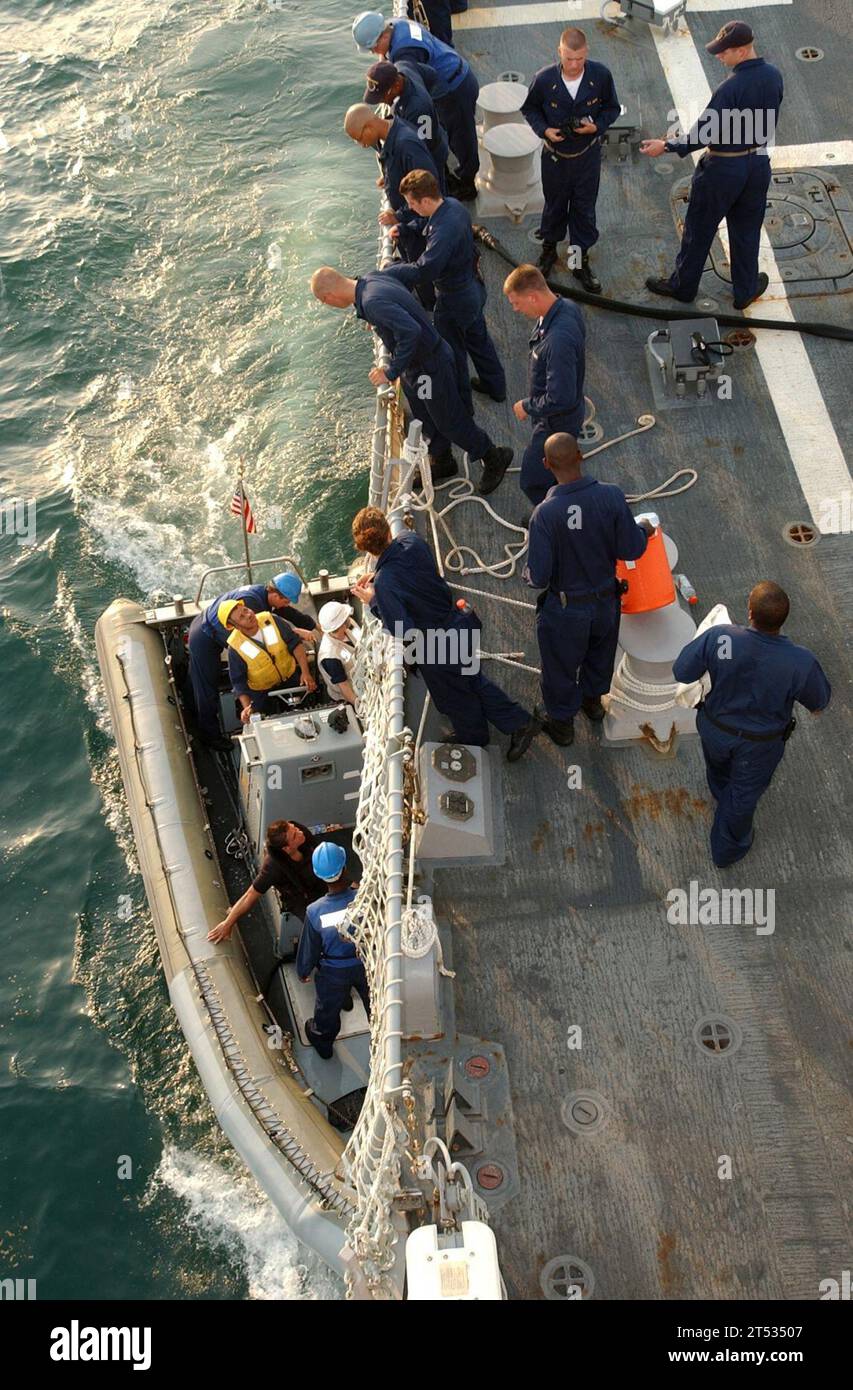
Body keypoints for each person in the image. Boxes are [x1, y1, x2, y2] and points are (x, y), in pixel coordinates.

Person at [350, 506, 541, 759]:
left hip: (436, 647)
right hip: (458, 623)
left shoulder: (385, 583)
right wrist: (379, 578)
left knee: (455, 698)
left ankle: (474, 738)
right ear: (387, 528)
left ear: (366, 549)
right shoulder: (412, 541)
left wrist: (374, 601)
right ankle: (519, 723)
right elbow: (411, 571)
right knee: (472, 679)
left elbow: (402, 629)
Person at [310, 266, 513, 494]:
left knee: (449, 419)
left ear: (329, 297)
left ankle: (493, 455)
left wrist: (390, 372)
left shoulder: (372, 303)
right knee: (425, 414)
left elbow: (411, 332)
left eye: (325, 302)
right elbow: (407, 276)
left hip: (428, 368)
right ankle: (443, 459)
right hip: (416, 369)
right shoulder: (371, 280)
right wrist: (384, 320)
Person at [672, 582, 830, 868]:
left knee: (718, 770)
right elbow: (818, 704)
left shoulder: (721, 637)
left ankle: (722, 797)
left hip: (714, 729)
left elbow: (682, 671)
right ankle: (726, 851)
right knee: (743, 796)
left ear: (750, 611)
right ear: (783, 618)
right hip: (759, 746)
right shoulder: (800, 661)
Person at [640, 21, 783, 310]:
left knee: (699, 228)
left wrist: (666, 145)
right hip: (757, 165)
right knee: (746, 231)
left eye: (724, 52)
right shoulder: (774, 76)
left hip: (723, 169)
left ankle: (683, 286)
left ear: (741, 51)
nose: (719, 56)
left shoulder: (729, 88)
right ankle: (744, 291)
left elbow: (703, 134)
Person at [524, 433, 654, 747]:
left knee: (560, 666)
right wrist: (643, 529)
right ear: (580, 456)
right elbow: (632, 548)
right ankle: (593, 703)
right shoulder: (611, 496)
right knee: (600, 654)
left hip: (567, 611)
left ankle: (563, 725)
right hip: (606, 602)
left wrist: (527, 571)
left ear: (545, 465)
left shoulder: (544, 515)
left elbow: (538, 577)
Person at [383, 168, 506, 414]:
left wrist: (389, 274)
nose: (411, 208)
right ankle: (496, 386)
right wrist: (406, 228)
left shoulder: (444, 231)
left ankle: (463, 406)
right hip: (473, 287)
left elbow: (425, 270)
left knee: (454, 354)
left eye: (411, 203)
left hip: (455, 299)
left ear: (425, 200)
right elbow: (428, 222)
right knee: (479, 339)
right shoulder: (452, 206)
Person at [521, 27, 620, 289]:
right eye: (568, 59)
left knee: (584, 210)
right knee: (554, 206)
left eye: (579, 59)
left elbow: (612, 108)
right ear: (559, 53)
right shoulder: (543, 80)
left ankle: (578, 260)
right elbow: (529, 108)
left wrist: (596, 126)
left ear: (586, 53)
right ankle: (549, 250)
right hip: (555, 159)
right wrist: (544, 130)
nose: (574, 65)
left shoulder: (600, 76)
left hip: (586, 159)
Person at [352, 11, 480, 198]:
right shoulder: (397, 24)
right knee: (452, 131)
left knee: (461, 137)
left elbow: (417, 85)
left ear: (383, 36)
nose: (373, 52)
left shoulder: (405, 55)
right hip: (452, 75)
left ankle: (467, 183)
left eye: (373, 47)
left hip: (455, 89)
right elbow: (427, 74)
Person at [188, 573, 317, 748]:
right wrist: (298, 632)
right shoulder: (250, 609)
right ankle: (210, 736)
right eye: (286, 601)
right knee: (206, 687)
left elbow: (284, 616)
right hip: (204, 636)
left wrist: (314, 626)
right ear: (275, 595)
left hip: (218, 625)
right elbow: (262, 633)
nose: (287, 605)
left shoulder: (264, 597)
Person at [503, 264, 586, 508]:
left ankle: (552, 517)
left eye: (517, 303)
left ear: (533, 297)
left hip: (555, 422)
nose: (515, 309)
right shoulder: (568, 307)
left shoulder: (557, 341)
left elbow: (561, 397)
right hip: (559, 416)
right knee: (554, 474)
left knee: (531, 480)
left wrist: (527, 406)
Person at [297, 842, 371, 1060]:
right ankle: (382, 1038)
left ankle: (322, 1040)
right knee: (376, 1005)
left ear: (319, 876)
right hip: (367, 963)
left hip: (333, 970)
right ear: (345, 868)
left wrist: (303, 970)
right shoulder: (364, 898)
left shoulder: (314, 911)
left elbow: (310, 947)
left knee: (327, 1009)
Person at [344, 104, 443, 265]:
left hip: (418, 226)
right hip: (409, 220)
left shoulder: (407, 146)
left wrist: (398, 216)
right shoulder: (389, 136)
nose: (361, 145)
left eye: (359, 139)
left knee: (420, 272)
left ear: (369, 128)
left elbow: (429, 189)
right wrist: (389, 177)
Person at [208, 819, 331, 946]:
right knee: (320, 927)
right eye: (295, 835)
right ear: (287, 848)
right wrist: (228, 923)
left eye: (295, 828)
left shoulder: (302, 834)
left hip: (321, 880)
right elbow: (250, 895)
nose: (299, 832)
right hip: (301, 898)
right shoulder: (273, 868)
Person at [220, 599, 316, 723]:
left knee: (304, 717)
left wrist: (305, 673)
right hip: (262, 694)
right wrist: (247, 708)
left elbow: (295, 644)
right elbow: (239, 682)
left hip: (290, 680)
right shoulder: (235, 647)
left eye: (246, 610)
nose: (249, 615)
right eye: (242, 617)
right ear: (236, 626)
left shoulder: (271, 620)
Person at [363, 59, 449, 177]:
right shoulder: (403, 66)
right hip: (430, 127)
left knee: (435, 186)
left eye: (383, 97)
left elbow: (422, 146)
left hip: (432, 153)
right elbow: (431, 74)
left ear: (397, 86)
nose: (381, 101)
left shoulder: (419, 108)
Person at [317, 600, 361, 709]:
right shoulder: (330, 656)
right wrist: (359, 705)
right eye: (335, 631)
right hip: (347, 697)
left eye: (346, 624)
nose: (346, 628)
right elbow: (344, 686)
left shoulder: (349, 623)